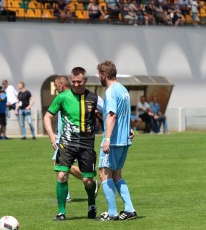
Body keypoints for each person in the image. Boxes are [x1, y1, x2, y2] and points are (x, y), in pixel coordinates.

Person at [43, 67, 99, 221]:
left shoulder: (94, 98)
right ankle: (61, 212)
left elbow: (109, 113)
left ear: (85, 81)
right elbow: (47, 116)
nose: (76, 84)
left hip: (87, 145)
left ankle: (92, 203)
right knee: (61, 175)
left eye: (79, 81)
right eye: (73, 81)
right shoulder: (62, 97)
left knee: (88, 181)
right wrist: (51, 136)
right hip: (66, 144)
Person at [97, 60, 137, 221]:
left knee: (104, 174)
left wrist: (107, 138)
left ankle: (112, 213)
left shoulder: (111, 91)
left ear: (103, 75)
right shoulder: (124, 90)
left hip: (113, 141)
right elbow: (124, 113)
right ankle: (129, 209)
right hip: (124, 140)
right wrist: (128, 129)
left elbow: (112, 114)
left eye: (99, 75)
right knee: (117, 174)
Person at [52, 75, 101, 202]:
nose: (56, 88)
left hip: (74, 139)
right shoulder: (62, 98)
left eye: (56, 85)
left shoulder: (80, 97)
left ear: (61, 84)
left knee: (64, 167)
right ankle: (67, 196)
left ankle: (91, 183)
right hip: (63, 137)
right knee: (59, 167)